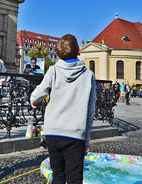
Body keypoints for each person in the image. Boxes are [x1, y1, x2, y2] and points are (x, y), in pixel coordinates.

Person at [30, 34, 96, 184]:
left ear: (58, 53)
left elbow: (37, 95)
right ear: (78, 52)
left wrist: (35, 102)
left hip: (53, 131)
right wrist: (86, 141)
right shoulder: (88, 75)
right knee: (74, 178)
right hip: (75, 134)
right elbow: (90, 111)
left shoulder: (53, 70)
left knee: (58, 175)